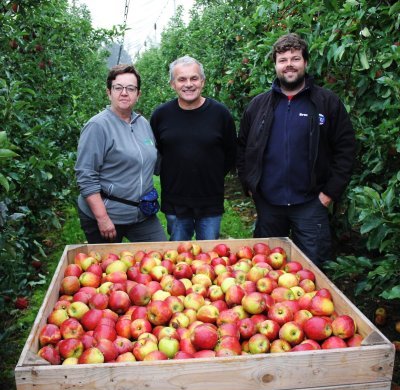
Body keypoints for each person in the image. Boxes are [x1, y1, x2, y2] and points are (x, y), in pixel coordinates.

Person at [237, 33, 356, 266]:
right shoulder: (258, 105)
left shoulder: (326, 102)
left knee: (312, 270)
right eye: (282, 60)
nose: (289, 64)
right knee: (265, 269)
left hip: (310, 203)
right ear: (275, 65)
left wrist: (329, 193)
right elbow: (242, 148)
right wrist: (250, 185)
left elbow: (346, 149)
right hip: (269, 203)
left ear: (306, 62)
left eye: (295, 58)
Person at [75, 64, 167, 243]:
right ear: (109, 92)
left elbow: (154, 163)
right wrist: (102, 218)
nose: (124, 93)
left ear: (138, 95)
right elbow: (86, 176)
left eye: (131, 88)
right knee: (107, 269)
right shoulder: (97, 126)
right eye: (118, 87)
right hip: (106, 215)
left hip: (142, 215)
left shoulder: (143, 124)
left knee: (161, 256)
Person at [150, 55, 237, 241]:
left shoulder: (220, 114)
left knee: (210, 261)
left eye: (194, 78)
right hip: (175, 202)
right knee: (178, 261)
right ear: (173, 84)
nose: (188, 84)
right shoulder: (161, 115)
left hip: (210, 200)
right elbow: (156, 152)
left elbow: (231, 153)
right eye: (182, 79)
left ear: (203, 82)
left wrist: (210, 173)